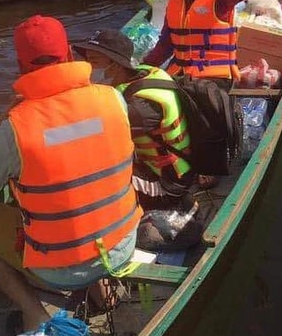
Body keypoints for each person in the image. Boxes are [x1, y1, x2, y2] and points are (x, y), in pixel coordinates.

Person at [0, 15, 142, 333]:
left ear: (21, 66)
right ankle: (103, 292)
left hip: (62, 269)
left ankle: (33, 311)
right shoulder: (114, 99)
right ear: (68, 56)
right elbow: (79, 144)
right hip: (122, 244)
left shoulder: (15, 128)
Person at [73, 29, 196, 209]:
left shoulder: (140, 107)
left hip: (167, 184)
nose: (87, 68)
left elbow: (88, 131)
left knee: (92, 171)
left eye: (93, 62)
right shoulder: (143, 74)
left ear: (114, 65)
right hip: (156, 168)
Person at [144, 0, 269, 87]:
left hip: (213, 77)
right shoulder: (175, 2)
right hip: (181, 72)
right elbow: (165, 45)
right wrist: (145, 67)